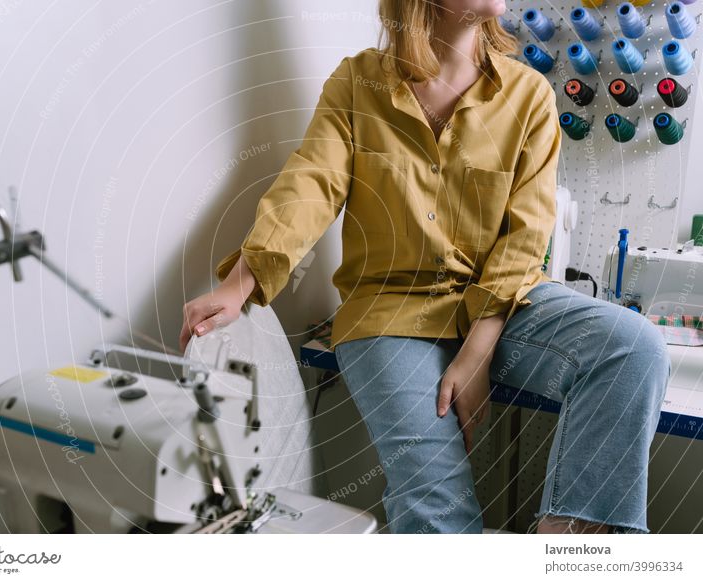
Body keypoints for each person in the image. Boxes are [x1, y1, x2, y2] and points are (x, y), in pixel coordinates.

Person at [180, 0, 670, 534]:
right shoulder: (357, 82)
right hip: (389, 313)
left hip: (503, 303)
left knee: (633, 348)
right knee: (435, 504)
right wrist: (241, 282)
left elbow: (524, 236)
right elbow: (312, 184)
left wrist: (478, 352)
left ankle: (569, 548)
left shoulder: (529, 96)